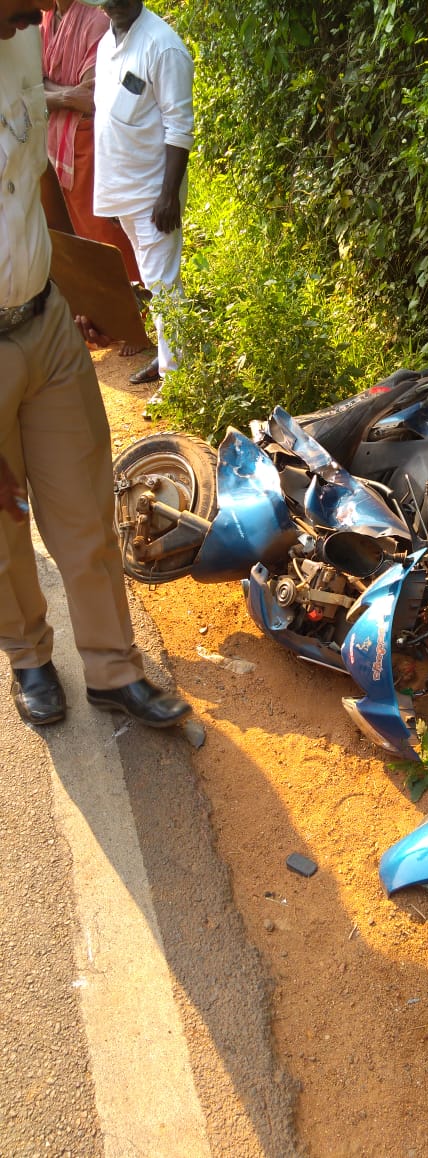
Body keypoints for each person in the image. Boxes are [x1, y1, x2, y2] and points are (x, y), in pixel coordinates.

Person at [0, 0, 191, 730]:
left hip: (45, 320)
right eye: (31, 3)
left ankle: (113, 670)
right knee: (3, 521)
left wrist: (79, 284)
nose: (43, 15)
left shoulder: (23, 38)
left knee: (84, 502)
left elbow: (36, 175)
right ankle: (29, 657)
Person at [80, 0, 194, 402]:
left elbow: (180, 127)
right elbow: (110, 117)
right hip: (124, 190)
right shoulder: (106, 42)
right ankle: (167, 359)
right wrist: (111, 196)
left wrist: (168, 195)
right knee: (152, 279)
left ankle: (178, 383)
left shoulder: (163, 45)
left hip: (153, 192)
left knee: (163, 284)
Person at [41, 0, 141, 284]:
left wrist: (47, 91)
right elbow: (30, 86)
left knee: (107, 242)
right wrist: (65, 96)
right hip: (54, 147)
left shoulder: (96, 20)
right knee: (72, 243)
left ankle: (131, 306)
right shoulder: (45, 18)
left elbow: (90, 98)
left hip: (92, 149)